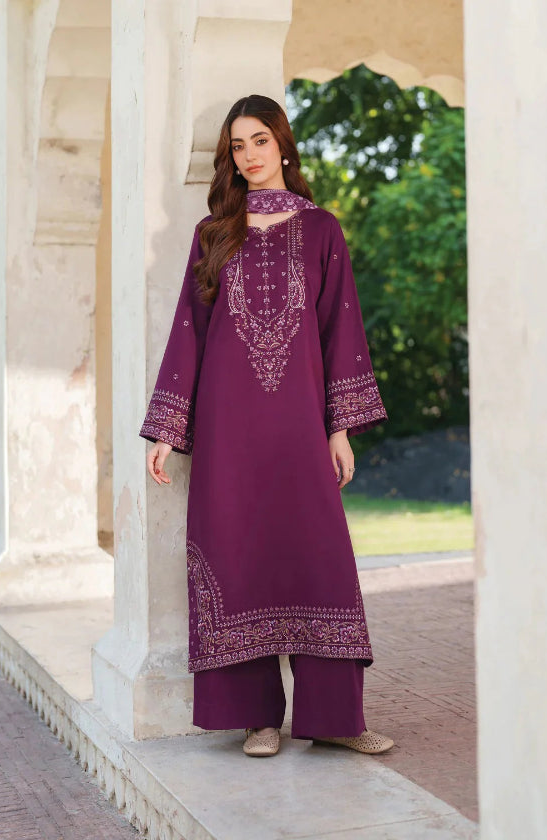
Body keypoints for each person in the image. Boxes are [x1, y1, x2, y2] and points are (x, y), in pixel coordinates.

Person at [139, 94, 395, 758]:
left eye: (260, 141)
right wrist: (170, 427)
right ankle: (257, 719)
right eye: (237, 146)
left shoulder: (322, 230)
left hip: (299, 428)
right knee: (237, 553)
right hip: (228, 431)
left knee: (319, 560)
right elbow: (189, 334)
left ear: (283, 144)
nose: (249, 156)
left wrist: (339, 428)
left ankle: (336, 717)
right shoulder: (212, 232)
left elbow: (342, 332)